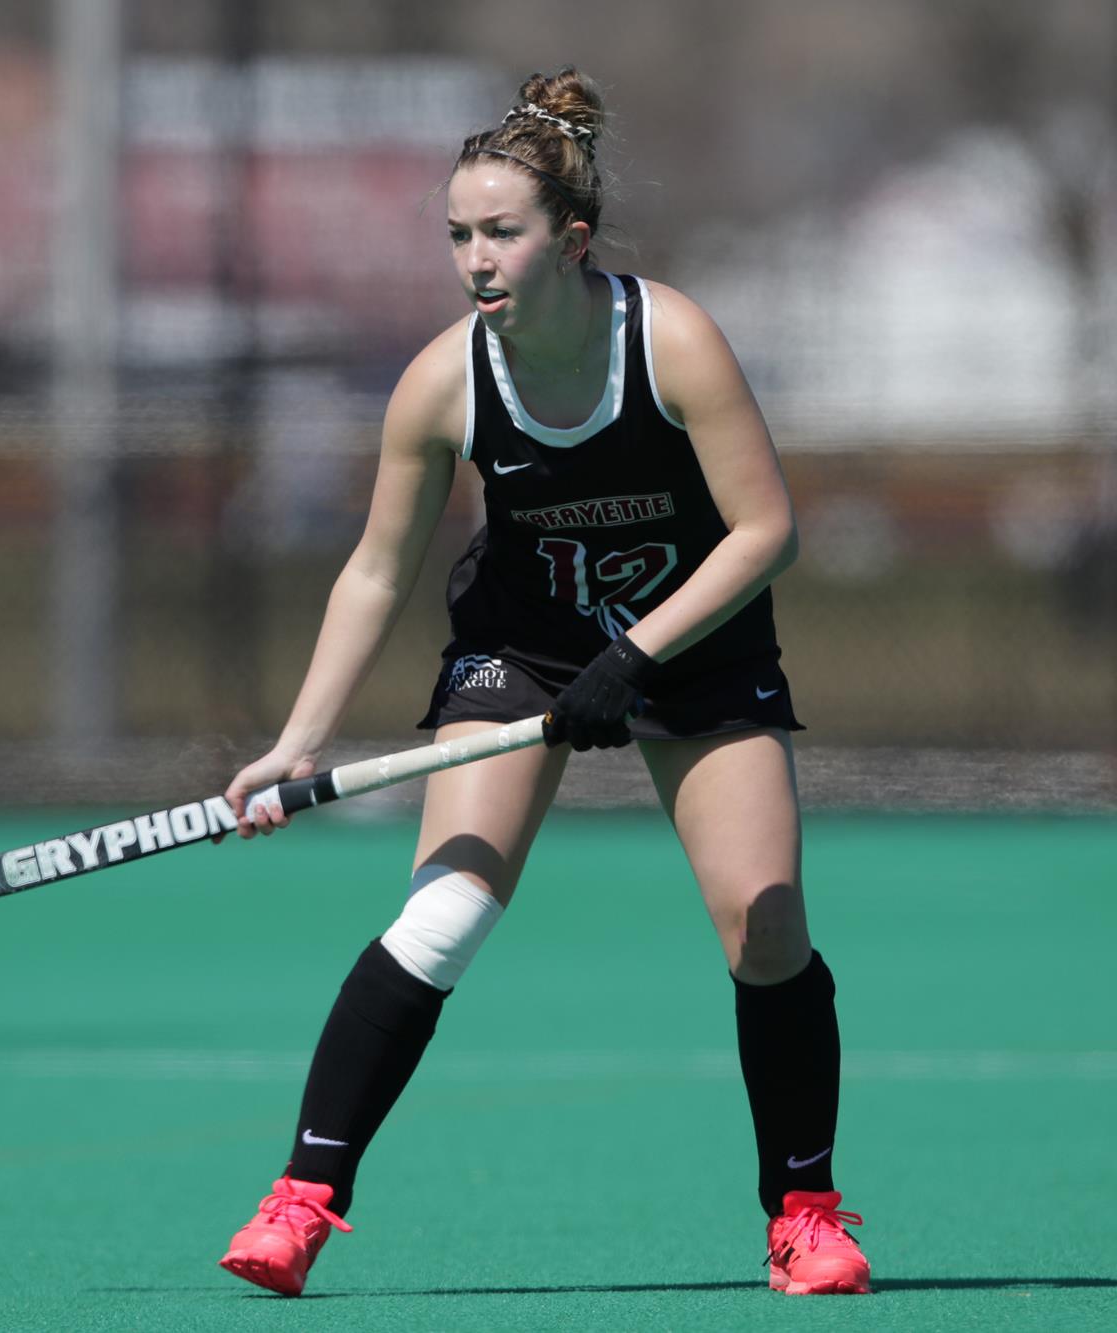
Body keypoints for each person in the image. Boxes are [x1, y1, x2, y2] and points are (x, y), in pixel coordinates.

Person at [214, 70, 870, 1297]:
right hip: (522, 647)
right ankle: (300, 1200)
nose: (474, 258)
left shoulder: (665, 337)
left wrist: (634, 660)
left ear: (569, 239)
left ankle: (805, 1213)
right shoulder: (439, 382)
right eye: (457, 234)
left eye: (499, 232)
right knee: (444, 912)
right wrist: (298, 739)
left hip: (693, 642)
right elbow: (372, 571)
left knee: (767, 922)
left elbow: (762, 530)